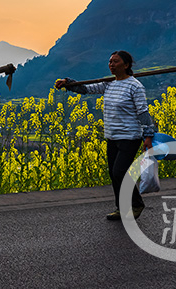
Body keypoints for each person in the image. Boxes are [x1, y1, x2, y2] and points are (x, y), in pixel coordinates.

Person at [55, 50, 155, 220]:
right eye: (109, 61)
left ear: (126, 65)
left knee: (119, 172)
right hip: (112, 136)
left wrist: (148, 136)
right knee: (113, 173)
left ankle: (136, 204)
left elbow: (143, 112)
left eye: (115, 61)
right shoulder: (108, 84)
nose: (111, 64)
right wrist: (68, 83)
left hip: (129, 137)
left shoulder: (135, 86)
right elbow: (86, 89)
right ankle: (122, 208)